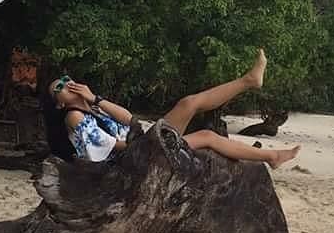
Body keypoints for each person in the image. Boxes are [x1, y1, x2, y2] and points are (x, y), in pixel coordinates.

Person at [43, 49, 300, 169]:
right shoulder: (74, 116)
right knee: (207, 136)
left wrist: (96, 98)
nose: (67, 84)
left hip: (140, 143)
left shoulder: (93, 108)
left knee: (190, 103)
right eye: (59, 87)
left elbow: (129, 118)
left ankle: (249, 81)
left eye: (67, 80)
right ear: (59, 102)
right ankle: (271, 157)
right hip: (130, 159)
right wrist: (146, 143)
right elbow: (107, 147)